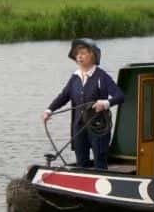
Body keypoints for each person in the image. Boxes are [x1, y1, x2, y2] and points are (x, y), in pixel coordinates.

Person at [42, 38, 124, 169]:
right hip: (79, 128)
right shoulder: (75, 77)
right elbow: (63, 96)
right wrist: (49, 110)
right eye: (77, 53)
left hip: (99, 127)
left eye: (83, 53)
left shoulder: (102, 76)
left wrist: (105, 103)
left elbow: (120, 96)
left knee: (100, 161)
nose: (79, 56)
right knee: (81, 162)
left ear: (92, 55)